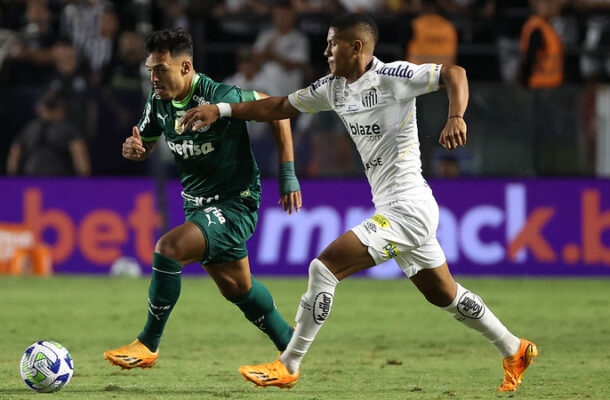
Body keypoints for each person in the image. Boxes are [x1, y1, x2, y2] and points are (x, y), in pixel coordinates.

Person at [179, 13, 538, 392]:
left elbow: (456, 72)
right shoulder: (333, 88)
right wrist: (220, 110)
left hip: (409, 207)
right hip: (394, 207)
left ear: (356, 47)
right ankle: (514, 348)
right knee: (443, 294)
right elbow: (279, 106)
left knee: (324, 267)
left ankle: (289, 363)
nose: (326, 50)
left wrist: (455, 116)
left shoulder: (393, 77)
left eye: (333, 44)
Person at [103, 28, 302, 370]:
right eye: (150, 69)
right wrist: (135, 149)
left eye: (160, 69)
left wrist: (287, 174)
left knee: (168, 249)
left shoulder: (221, 94)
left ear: (185, 67)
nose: (153, 77)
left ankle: (148, 343)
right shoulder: (159, 102)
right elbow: (146, 141)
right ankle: (291, 347)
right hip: (197, 204)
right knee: (238, 289)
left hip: (235, 203)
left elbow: (278, 111)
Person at [6, 89, 91, 176]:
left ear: (39, 108)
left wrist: (13, 181)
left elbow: (14, 156)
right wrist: (83, 181)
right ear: (62, 107)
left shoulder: (29, 129)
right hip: (58, 183)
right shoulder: (68, 129)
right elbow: (80, 155)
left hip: (32, 182)